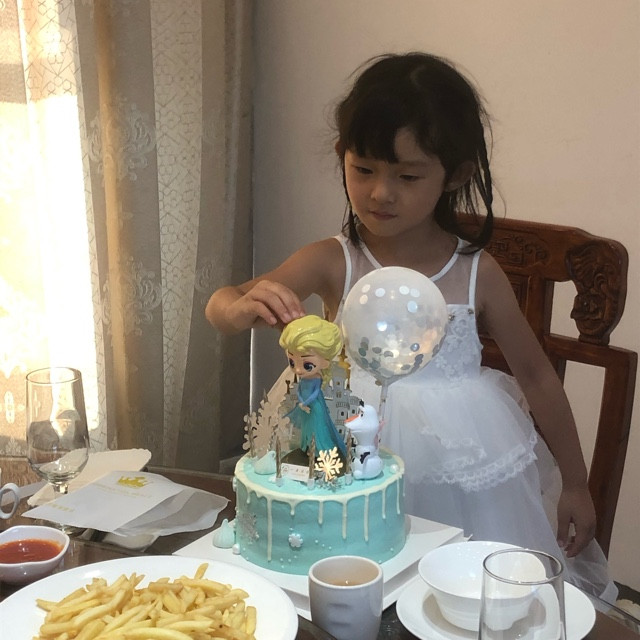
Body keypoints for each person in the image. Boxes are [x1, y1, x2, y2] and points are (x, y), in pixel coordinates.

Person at [206, 52, 614, 599]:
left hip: (460, 469)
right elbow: (223, 305)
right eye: (364, 169)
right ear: (342, 155)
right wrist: (238, 309)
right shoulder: (332, 260)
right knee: (338, 586)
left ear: (456, 175)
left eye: (408, 175)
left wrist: (577, 484)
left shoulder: (477, 273)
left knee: (461, 600)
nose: (381, 192)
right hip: (342, 453)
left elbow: (538, 378)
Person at [279, 314, 347, 458]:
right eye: (292, 362)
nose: (298, 370)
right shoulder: (303, 378)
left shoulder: (316, 378)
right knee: (306, 427)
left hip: (314, 407)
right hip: (305, 405)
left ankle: (321, 450)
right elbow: (300, 390)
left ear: (325, 363)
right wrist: (301, 402)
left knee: (317, 427)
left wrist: (305, 403)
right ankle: (306, 446)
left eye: (307, 365)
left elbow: (315, 394)